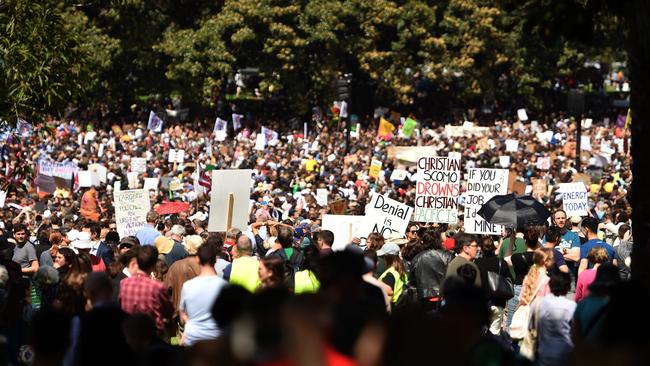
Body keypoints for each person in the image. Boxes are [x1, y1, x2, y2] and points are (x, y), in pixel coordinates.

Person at [179, 243, 228, 346]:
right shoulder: (225, 286)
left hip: (193, 340)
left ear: (197, 259)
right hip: (217, 340)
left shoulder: (188, 286)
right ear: (215, 260)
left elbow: (182, 315)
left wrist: (191, 325)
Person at [119, 245, 173, 335]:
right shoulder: (157, 287)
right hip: (152, 334)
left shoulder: (123, 283)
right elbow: (169, 311)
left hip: (130, 333)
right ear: (154, 264)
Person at [532, 272, 576, 366]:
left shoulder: (538, 303)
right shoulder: (571, 306)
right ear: (567, 287)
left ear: (550, 285)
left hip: (543, 353)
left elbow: (531, 327)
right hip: (566, 353)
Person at [571, 263, 620, 346]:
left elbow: (576, 334)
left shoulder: (584, 303)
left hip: (590, 352)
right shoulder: (623, 304)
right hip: (614, 354)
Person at [408, 228, 454, 310]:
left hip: (424, 298)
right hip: (443, 297)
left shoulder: (417, 258)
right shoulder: (448, 256)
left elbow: (412, 279)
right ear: (438, 241)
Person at [475, 236, 512, 335]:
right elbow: (509, 280)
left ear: (481, 249)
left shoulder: (477, 263)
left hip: (481, 302)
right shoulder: (501, 263)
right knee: (494, 333)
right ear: (494, 248)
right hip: (498, 302)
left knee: (480, 334)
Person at [504, 225, 539, 330]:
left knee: (512, 319)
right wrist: (538, 242)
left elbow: (506, 259)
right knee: (534, 322)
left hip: (519, 288)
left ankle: (511, 344)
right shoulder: (541, 257)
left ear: (524, 241)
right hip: (536, 289)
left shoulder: (517, 257)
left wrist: (511, 242)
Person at [377, 243, 407, 307]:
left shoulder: (389, 275)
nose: (382, 259)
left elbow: (387, 300)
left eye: (382, 256)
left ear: (387, 257)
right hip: (399, 309)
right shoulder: (401, 270)